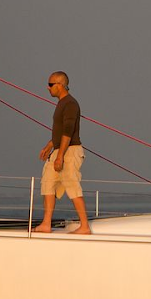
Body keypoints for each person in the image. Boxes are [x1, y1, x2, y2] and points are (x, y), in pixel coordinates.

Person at [36, 71, 90, 234]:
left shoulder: (70, 104)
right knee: (47, 183)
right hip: (60, 149)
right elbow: (60, 133)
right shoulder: (61, 104)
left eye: (51, 84)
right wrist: (50, 145)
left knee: (72, 184)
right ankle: (46, 224)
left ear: (60, 85)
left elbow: (68, 131)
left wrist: (60, 156)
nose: (48, 88)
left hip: (70, 151)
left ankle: (85, 226)